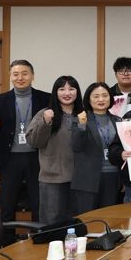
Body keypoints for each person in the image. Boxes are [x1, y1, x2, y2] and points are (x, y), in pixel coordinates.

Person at [0, 60, 50, 244]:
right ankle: (7, 243)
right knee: (7, 204)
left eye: (24, 73)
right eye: (16, 74)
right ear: (10, 76)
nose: (20, 77)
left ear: (32, 76)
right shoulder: (0, 100)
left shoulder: (46, 98)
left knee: (38, 203)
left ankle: (37, 240)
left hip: (37, 157)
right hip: (9, 159)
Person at [26, 76, 83, 224]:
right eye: (62, 89)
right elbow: (34, 142)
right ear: (55, 92)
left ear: (77, 92)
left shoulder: (84, 115)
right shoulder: (45, 113)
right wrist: (45, 122)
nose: (67, 93)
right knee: (51, 223)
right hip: (52, 178)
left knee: (78, 222)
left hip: (80, 179)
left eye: (71, 89)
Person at [71, 82, 122, 215]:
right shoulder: (80, 120)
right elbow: (76, 146)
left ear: (110, 98)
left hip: (112, 176)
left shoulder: (118, 121)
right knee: (88, 218)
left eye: (105, 95)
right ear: (89, 100)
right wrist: (82, 126)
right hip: (87, 179)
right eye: (96, 96)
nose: (101, 99)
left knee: (109, 218)